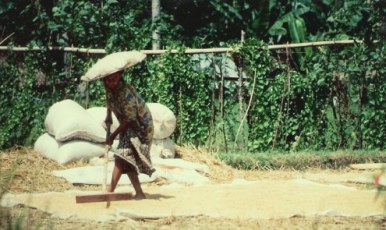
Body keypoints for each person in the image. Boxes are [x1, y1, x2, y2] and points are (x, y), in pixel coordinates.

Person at [103, 70, 154, 200]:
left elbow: (129, 120)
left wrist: (112, 136)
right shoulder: (109, 90)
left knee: (122, 155)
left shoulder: (126, 93)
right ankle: (139, 193)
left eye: (114, 79)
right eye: (108, 80)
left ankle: (110, 191)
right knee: (125, 158)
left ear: (120, 76)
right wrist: (108, 117)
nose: (112, 82)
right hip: (127, 128)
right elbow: (109, 104)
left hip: (140, 127)